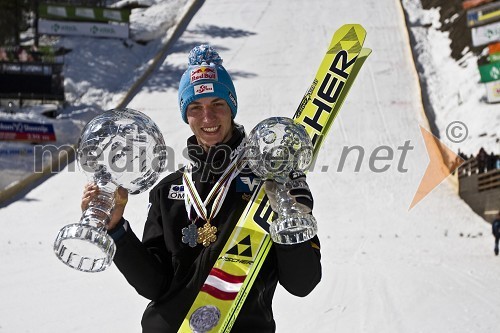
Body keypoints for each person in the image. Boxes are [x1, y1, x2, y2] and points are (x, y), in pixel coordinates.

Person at [82, 45, 322, 332]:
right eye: (196, 107)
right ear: (187, 115)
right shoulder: (167, 190)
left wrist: (291, 221)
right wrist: (116, 229)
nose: (207, 118)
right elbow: (154, 286)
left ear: (231, 108)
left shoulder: (271, 181)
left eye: (217, 104)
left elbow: (302, 283)